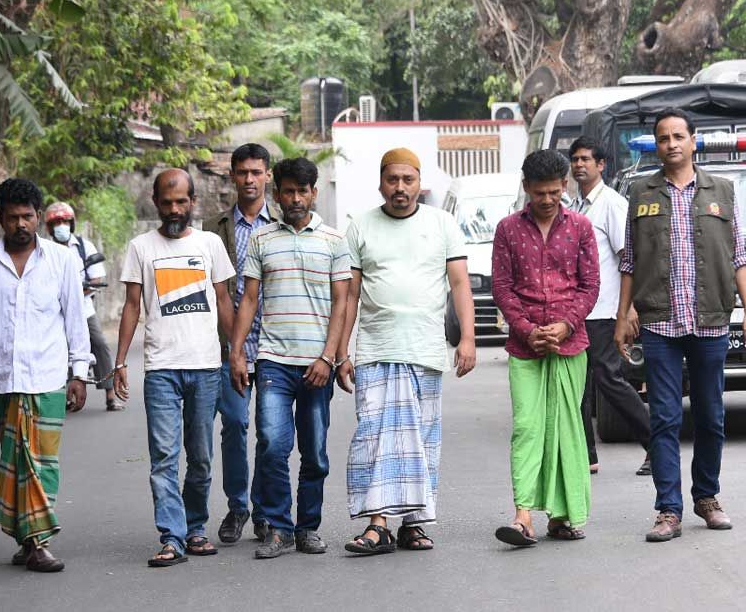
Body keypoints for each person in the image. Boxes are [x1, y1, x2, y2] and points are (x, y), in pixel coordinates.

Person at [615, 108, 746, 543]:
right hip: (659, 321)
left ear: (694, 141)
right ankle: (668, 510)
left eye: (679, 136)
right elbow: (629, 259)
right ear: (657, 145)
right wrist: (624, 315)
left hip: (711, 318)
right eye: (663, 138)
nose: (672, 144)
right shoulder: (640, 192)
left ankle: (707, 497)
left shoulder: (722, 191)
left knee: (711, 417)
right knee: (663, 417)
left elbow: (738, 255)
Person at [336, 147, 477, 555]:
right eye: (392, 180)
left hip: (425, 350)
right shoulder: (360, 227)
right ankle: (377, 524)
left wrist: (467, 339)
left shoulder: (442, 223)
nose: (400, 188)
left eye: (408, 180)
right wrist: (341, 351)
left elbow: (460, 285)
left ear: (419, 183)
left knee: (421, 438)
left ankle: (415, 522)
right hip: (376, 350)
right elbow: (350, 295)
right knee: (374, 436)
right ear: (381, 183)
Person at [0, 178, 91, 573]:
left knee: (42, 461)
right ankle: (26, 538)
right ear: (1, 219)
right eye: (13, 217)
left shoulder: (62, 261)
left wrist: (79, 373)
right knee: (15, 459)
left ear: (38, 217)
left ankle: (39, 541)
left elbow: (75, 319)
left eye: (28, 217)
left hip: (48, 376)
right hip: (3, 380)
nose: (21, 225)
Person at [228, 157, 351, 559]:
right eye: (288, 191)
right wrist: (236, 352)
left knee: (314, 452)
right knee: (271, 444)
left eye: (303, 191)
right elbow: (248, 299)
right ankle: (278, 529)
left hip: (317, 365)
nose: (295, 199)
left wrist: (328, 357)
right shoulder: (262, 240)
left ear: (314, 193)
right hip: (273, 362)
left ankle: (307, 528)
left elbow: (341, 302)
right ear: (276, 193)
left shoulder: (334, 241)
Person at [114, 168, 236, 567]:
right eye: (167, 203)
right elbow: (133, 305)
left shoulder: (210, 243)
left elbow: (223, 301)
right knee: (164, 456)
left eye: (181, 202)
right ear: (155, 202)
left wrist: (235, 354)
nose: (174, 209)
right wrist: (119, 362)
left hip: (205, 367)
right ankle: (173, 536)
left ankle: (196, 527)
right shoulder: (140, 247)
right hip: (161, 369)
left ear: (193, 202)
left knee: (200, 456)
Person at [491, 150, 599, 547]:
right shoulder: (507, 229)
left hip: (571, 345)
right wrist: (525, 329)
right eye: (540, 193)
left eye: (555, 192)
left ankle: (562, 516)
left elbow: (589, 287)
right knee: (527, 427)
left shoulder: (582, 227)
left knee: (565, 428)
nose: (548, 200)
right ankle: (523, 516)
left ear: (565, 187)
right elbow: (502, 287)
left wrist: (566, 324)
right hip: (525, 347)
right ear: (526, 189)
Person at [202, 143, 280, 544]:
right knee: (233, 424)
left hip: (274, 346)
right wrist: (229, 344)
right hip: (228, 346)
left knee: (269, 433)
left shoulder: (283, 222)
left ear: (268, 175)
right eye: (242, 173)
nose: (249, 180)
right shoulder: (214, 228)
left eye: (256, 172)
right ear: (232, 176)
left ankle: (266, 511)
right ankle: (238, 507)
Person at [566, 137, 653, 476]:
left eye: (586, 159)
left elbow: (627, 259)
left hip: (604, 310)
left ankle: (656, 443)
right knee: (577, 384)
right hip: (579, 310)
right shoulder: (575, 206)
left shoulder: (612, 204)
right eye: (575, 159)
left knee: (609, 378)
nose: (579, 165)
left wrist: (628, 309)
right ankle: (586, 455)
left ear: (601, 165)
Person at [45, 201, 123, 411]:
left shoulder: (83, 246)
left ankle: (110, 394)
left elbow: (97, 278)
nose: (60, 225)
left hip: (83, 309)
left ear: (71, 223)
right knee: (54, 349)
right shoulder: (44, 250)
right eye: (56, 222)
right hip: (53, 312)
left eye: (64, 221)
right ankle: (59, 394)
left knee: (99, 344)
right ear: (49, 227)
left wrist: (77, 292)